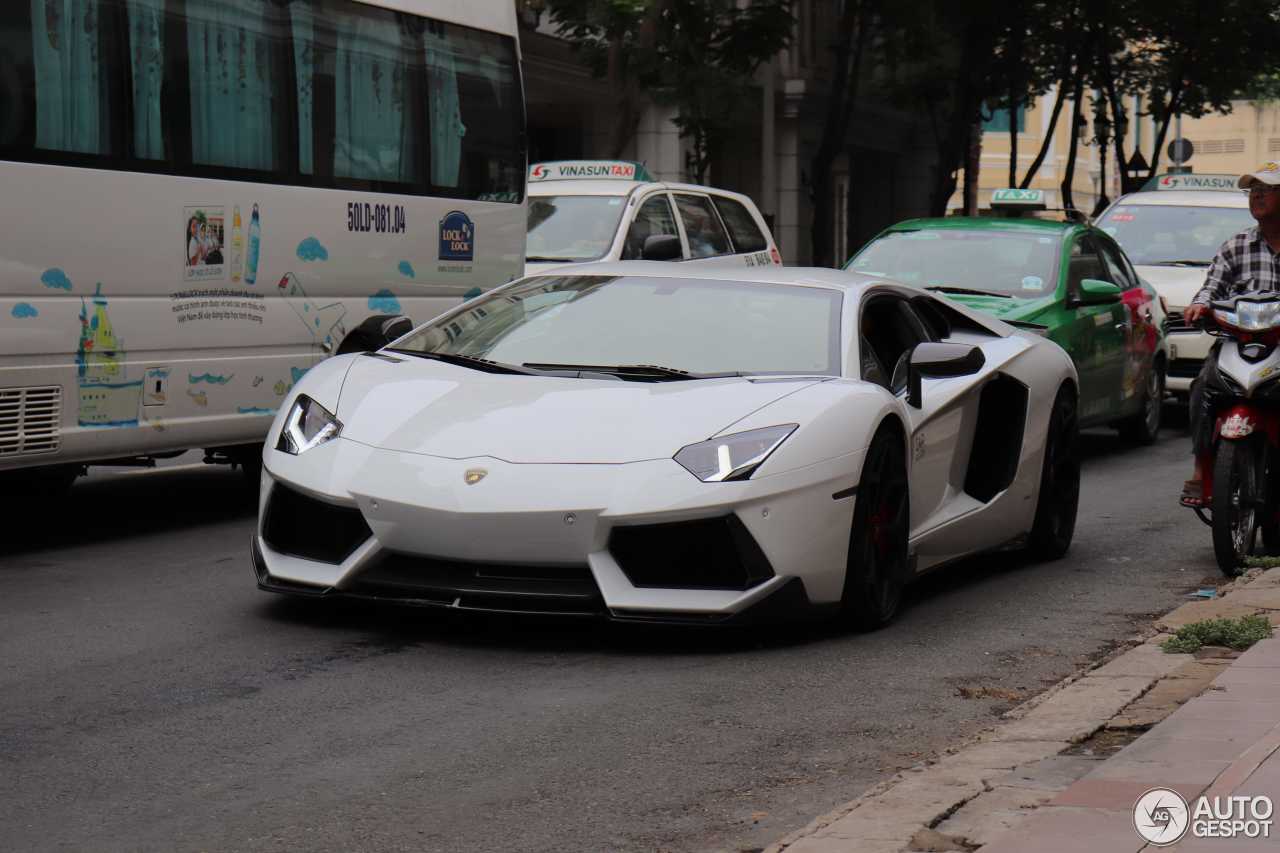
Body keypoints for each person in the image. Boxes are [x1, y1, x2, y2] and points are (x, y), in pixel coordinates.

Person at [1180, 162, 1280, 506]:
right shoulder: (1235, 246)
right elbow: (1212, 287)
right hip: (1238, 343)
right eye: (1253, 191)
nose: (1258, 196)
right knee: (1201, 389)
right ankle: (1200, 469)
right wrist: (1200, 306)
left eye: (1266, 190)